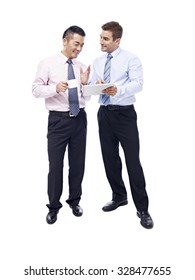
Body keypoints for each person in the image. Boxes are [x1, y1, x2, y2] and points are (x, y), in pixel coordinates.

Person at [90, 21, 154, 229]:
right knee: (110, 160)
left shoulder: (131, 59)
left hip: (125, 116)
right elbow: (93, 86)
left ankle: (143, 209)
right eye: (100, 37)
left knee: (132, 162)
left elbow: (138, 84)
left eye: (105, 39)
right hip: (104, 115)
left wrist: (117, 90)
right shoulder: (98, 61)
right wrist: (95, 86)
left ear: (117, 40)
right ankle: (119, 196)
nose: (101, 42)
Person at [32, 25, 90, 224]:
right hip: (58, 121)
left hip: (80, 119)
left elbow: (85, 98)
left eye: (82, 45)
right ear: (65, 41)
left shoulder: (81, 66)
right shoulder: (47, 63)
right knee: (56, 166)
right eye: (76, 43)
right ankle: (53, 206)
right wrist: (54, 88)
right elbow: (36, 90)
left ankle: (74, 201)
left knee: (78, 164)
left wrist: (86, 85)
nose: (79, 48)